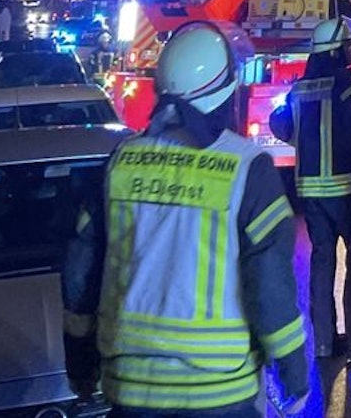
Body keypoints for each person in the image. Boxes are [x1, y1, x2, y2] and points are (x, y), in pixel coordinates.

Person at [62, 21, 310, 417]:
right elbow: (269, 284)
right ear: (227, 90)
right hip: (219, 391)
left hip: (131, 388)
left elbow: (81, 273)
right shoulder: (247, 168)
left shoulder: (120, 162)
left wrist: (79, 360)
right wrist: (293, 371)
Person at [269, 17, 351, 364]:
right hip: (346, 188)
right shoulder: (346, 83)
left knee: (322, 262)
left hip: (310, 192)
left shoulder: (299, 89)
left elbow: (280, 124)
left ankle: (324, 342)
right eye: (348, 45)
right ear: (336, 50)